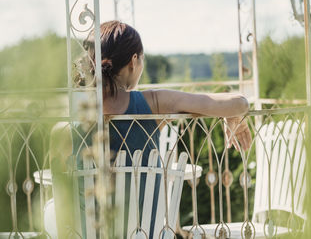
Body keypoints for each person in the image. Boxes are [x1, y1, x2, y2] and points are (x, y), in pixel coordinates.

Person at [78, 20, 252, 238]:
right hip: (143, 233)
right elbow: (240, 102)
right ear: (134, 61)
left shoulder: (77, 111)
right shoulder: (152, 103)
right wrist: (234, 116)